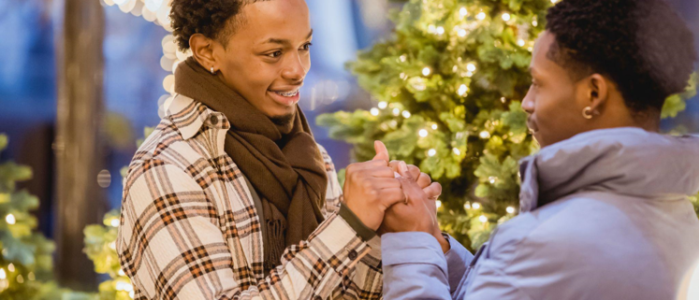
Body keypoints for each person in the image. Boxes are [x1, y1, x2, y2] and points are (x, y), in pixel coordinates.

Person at [115, 0, 441, 299]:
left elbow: (340, 292)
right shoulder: (167, 170)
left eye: (305, 47)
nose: (298, 70)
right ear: (207, 52)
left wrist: (393, 229)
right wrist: (350, 224)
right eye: (274, 53)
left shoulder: (306, 155)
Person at [378, 0, 700, 299]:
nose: (526, 102)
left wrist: (411, 241)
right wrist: (435, 243)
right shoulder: (678, 212)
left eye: (538, 83)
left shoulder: (547, 242)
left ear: (593, 94)